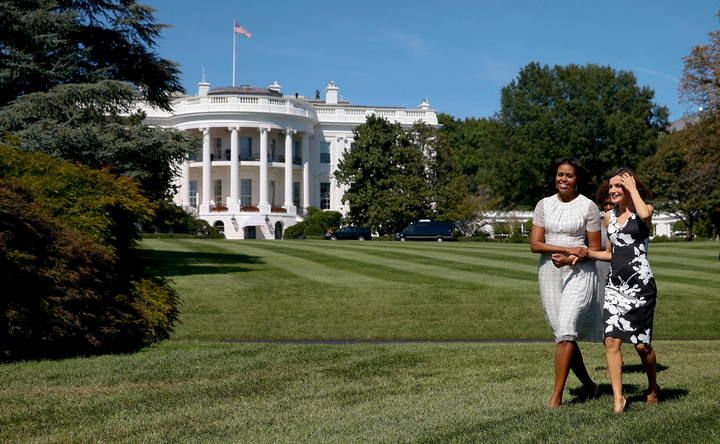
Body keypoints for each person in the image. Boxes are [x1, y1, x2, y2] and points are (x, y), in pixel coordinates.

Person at [585, 168, 659, 414]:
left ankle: (652, 386)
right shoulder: (608, 218)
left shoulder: (644, 210)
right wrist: (586, 253)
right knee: (611, 340)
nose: (613, 190)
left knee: (642, 347)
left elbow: (644, 214)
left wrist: (633, 189)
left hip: (641, 287)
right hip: (615, 287)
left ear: (629, 188)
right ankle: (619, 400)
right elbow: (610, 253)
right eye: (611, 187)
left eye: (620, 186)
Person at [530, 157, 602, 408]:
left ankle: (556, 397)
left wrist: (572, 257)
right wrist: (566, 248)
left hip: (580, 274)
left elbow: (595, 249)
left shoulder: (588, 207)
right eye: (560, 174)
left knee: (567, 329)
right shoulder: (543, 205)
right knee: (563, 334)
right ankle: (590, 386)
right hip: (549, 273)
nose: (563, 179)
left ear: (577, 179)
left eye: (569, 175)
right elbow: (535, 245)